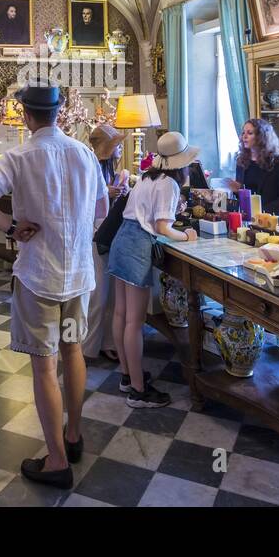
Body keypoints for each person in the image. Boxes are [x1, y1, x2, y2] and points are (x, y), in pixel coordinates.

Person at [0, 83, 108, 489]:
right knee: (73, 350)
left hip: (38, 276)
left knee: (45, 365)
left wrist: (11, 227)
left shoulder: (18, 156)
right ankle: (74, 435)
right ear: (59, 113)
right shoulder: (84, 153)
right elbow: (101, 209)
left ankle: (57, 461)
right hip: (79, 274)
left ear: (26, 116)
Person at [107, 131, 199, 408]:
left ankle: (127, 375)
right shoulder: (169, 184)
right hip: (137, 247)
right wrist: (187, 236)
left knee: (121, 314)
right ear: (182, 163)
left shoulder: (148, 177)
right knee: (134, 321)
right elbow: (162, 228)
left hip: (121, 239)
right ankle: (138, 390)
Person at [84, 123, 128, 362]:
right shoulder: (92, 169)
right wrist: (105, 195)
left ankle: (108, 341)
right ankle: (89, 344)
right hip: (95, 234)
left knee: (110, 293)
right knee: (98, 293)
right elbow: (82, 202)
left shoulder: (111, 170)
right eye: (117, 145)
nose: (120, 148)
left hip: (110, 232)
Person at [235, 118, 279, 214]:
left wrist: (261, 213)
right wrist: (236, 190)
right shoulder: (241, 161)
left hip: (273, 218)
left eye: (249, 133)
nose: (244, 136)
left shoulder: (277, 161)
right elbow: (243, 196)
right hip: (248, 218)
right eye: (243, 133)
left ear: (260, 137)